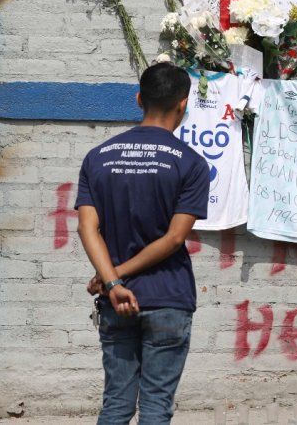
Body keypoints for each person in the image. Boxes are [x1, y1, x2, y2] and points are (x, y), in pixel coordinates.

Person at [75, 63, 210, 424]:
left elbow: (87, 228)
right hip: (168, 297)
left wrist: (111, 280)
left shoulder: (97, 157)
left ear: (138, 99)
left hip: (114, 303)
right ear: (183, 105)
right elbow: (175, 238)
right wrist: (113, 276)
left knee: (116, 405)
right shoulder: (192, 164)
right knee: (155, 407)